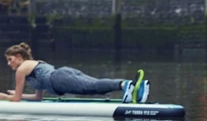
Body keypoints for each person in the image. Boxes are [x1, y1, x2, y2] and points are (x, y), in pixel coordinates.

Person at [1, 43, 150, 103]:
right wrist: (15, 94)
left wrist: (6, 97)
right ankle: (137, 87)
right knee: (94, 85)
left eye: (10, 59)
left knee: (92, 87)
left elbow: (16, 100)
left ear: (19, 57)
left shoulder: (21, 69)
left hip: (59, 79)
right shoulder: (32, 66)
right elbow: (38, 97)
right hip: (63, 74)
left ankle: (125, 85)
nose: (9, 63)